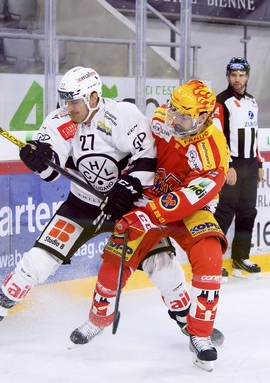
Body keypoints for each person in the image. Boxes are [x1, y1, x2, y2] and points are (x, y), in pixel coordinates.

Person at [0, 66, 192, 347]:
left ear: (94, 97)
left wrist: (129, 188)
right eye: (66, 101)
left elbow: (147, 158)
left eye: (74, 101)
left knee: (163, 264)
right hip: (82, 205)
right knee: (37, 261)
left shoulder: (124, 116)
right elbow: (51, 170)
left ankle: (189, 323)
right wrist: (39, 160)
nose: (69, 107)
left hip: (129, 206)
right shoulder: (60, 121)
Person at [69, 80, 229, 372]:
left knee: (210, 254)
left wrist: (148, 215)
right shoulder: (163, 118)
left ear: (203, 117)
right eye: (172, 109)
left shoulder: (214, 149)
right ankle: (98, 319)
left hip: (190, 209)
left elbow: (191, 196)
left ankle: (200, 334)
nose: (172, 118)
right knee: (116, 253)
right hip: (151, 197)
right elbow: (136, 150)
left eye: (183, 115)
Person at [212, 57, 264, 282]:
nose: (237, 79)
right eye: (233, 75)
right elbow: (217, 136)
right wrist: (229, 164)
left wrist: (259, 162)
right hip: (232, 165)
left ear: (247, 77)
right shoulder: (221, 101)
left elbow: (255, 135)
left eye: (241, 75)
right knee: (224, 213)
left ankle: (241, 258)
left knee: (247, 212)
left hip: (250, 165)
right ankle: (212, 262)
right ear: (228, 77)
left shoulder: (252, 101)